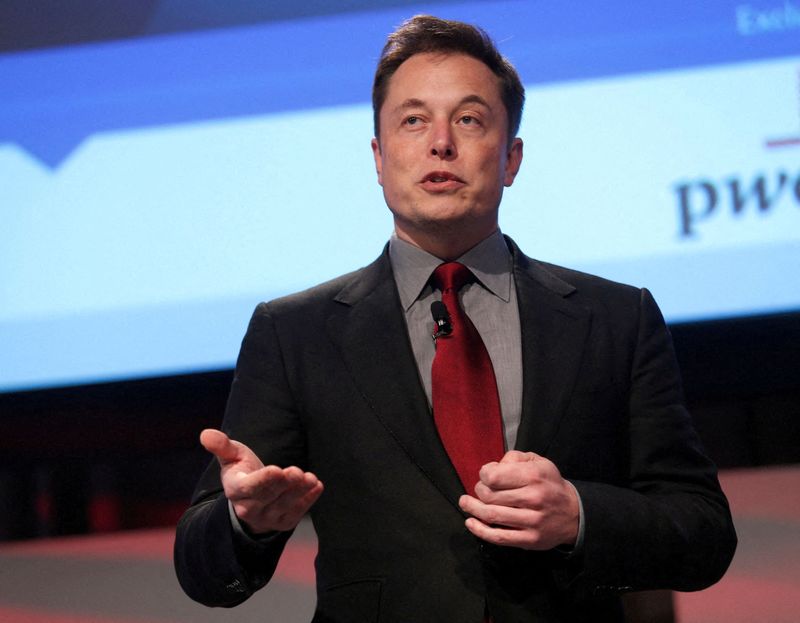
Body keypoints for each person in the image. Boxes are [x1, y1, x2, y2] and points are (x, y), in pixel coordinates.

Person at [174, 15, 736, 622]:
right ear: (379, 156)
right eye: (413, 120)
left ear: (511, 158)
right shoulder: (296, 334)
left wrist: (579, 514)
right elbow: (205, 572)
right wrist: (244, 522)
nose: (441, 142)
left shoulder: (616, 319)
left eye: (469, 119)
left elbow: (702, 534)